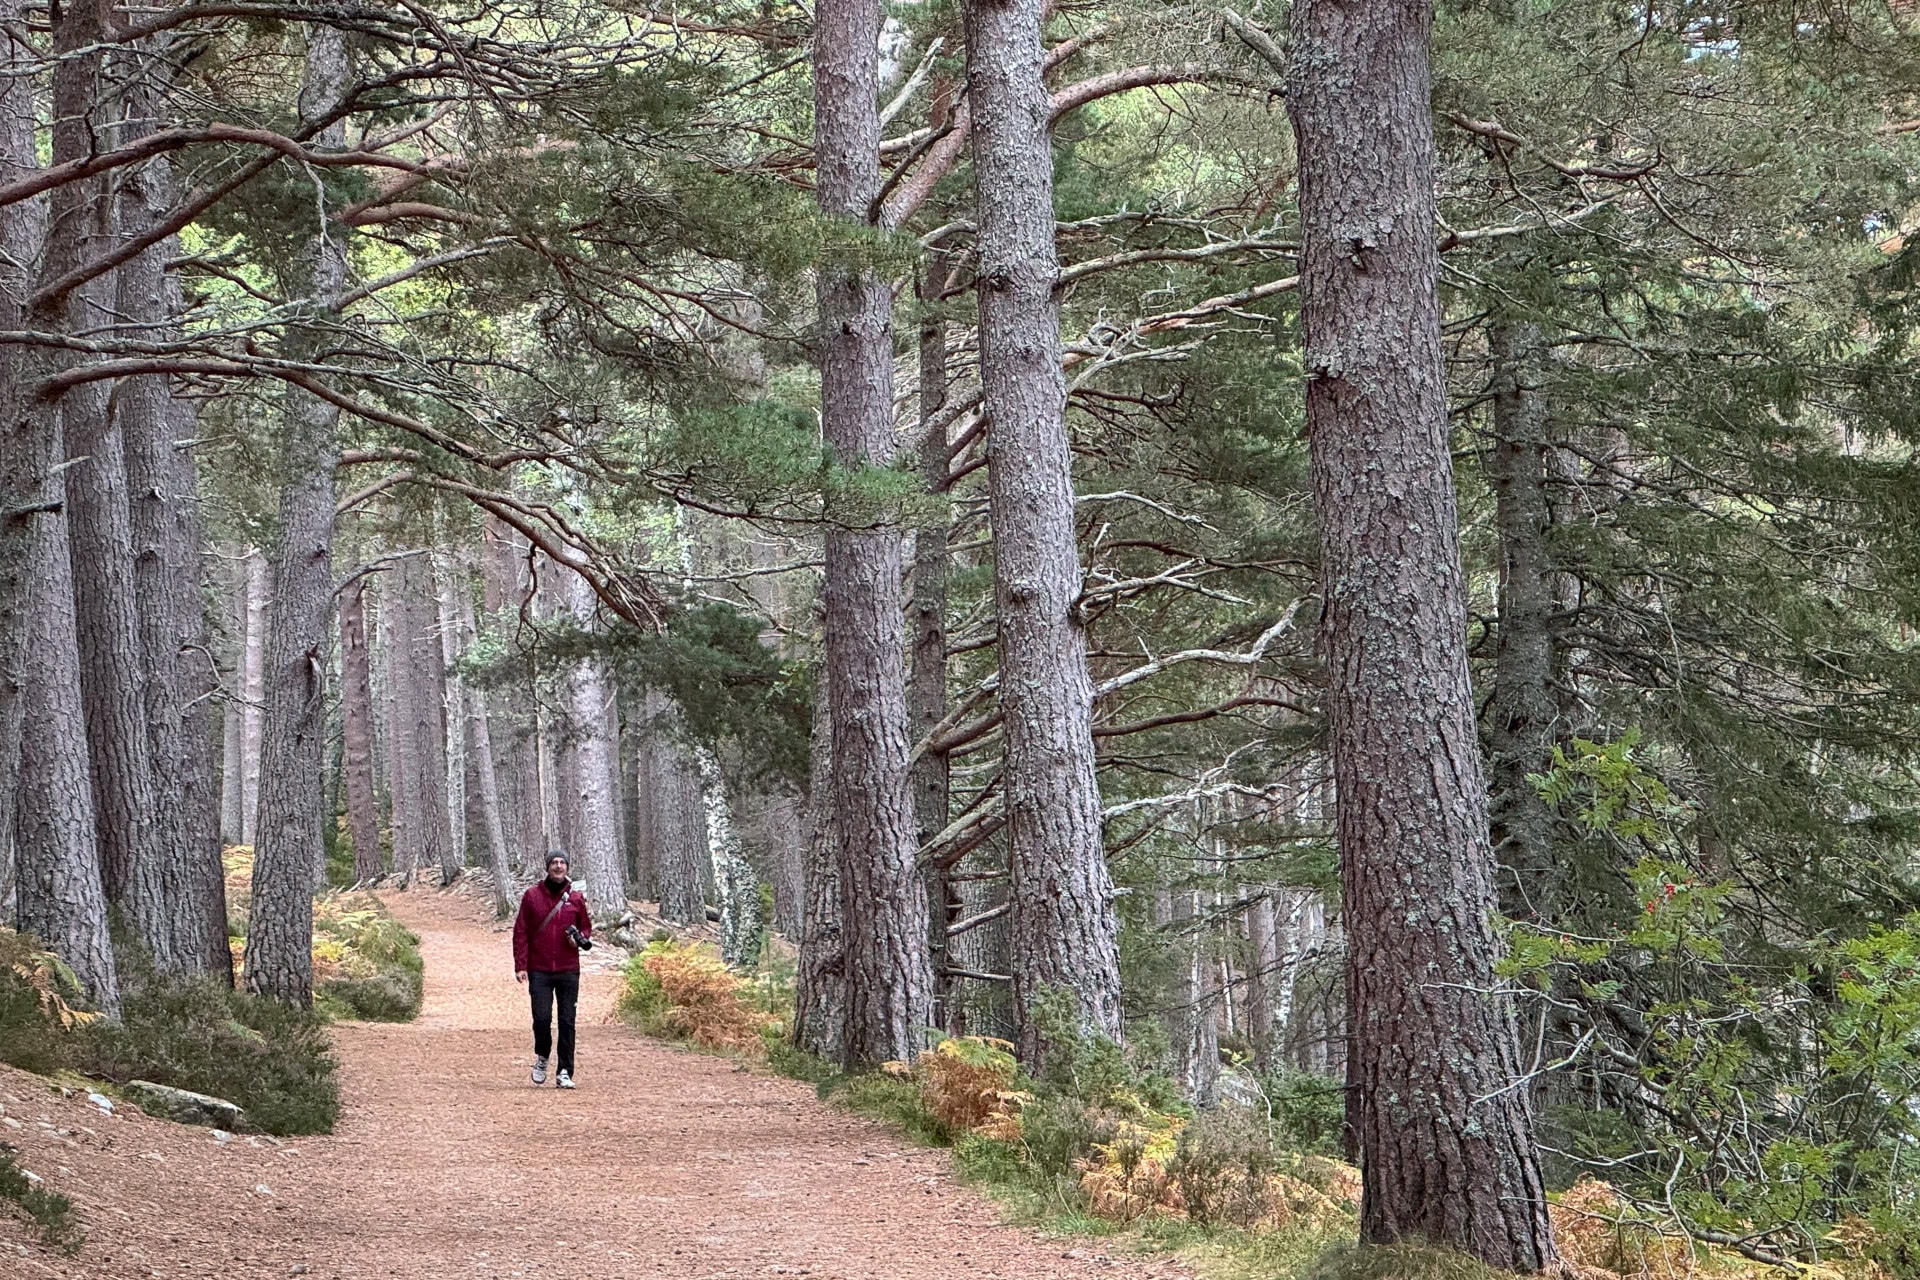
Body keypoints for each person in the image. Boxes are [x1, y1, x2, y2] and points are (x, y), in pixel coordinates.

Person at [512, 851, 592, 1089]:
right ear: (547, 867)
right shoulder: (532, 896)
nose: (558, 866)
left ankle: (565, 1071)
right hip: (540, 969)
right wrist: (521, 965)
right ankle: (542, 1056)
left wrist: (578, 939)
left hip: (568, 969)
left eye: (562, 863)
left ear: (567, 867)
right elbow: (521, 932)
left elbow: (586, 928)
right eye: (554, 863)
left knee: (567, 1021)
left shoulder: (576, 898)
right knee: (542, 1018)